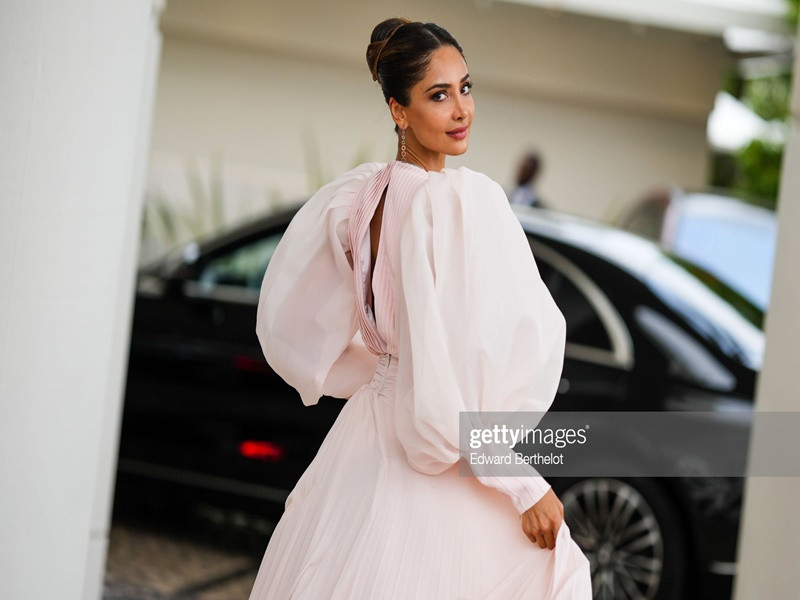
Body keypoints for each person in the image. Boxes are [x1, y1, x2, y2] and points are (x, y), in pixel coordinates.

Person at [248, 18, 591, 599]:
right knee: (551, 575)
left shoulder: (360, 197)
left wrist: (378, 370)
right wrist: (523, 484)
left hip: (364, 436)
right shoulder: (453, 204)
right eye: (438, 95)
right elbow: (440, 390)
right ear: (397, 110)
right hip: (429, 453)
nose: (461, 110)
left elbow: (295, 318)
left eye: (465, 87)